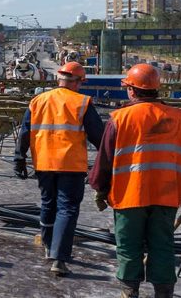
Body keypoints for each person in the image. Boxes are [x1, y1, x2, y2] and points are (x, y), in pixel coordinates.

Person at [90, 64, 181, 298]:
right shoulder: (179, 118)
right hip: (166, 196)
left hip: (129, 196)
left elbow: (105, 158)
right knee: (163, 247)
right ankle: (163, 293)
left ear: (132, 90)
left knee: (128, 246)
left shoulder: (120, 118)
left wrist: (100, 188)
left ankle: (129, 291)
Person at [13, 61, 105, 277]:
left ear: (59, 79)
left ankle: (48, 245)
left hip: (44, 163)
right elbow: (99, 136)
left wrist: (19, 158)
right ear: (78, 82)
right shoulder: (81, 102)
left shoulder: (38, 101)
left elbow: (24, 132)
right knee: (67, 209)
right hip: (71, 165)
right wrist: (108, 161)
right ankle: (59, 258)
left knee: (48, 203)